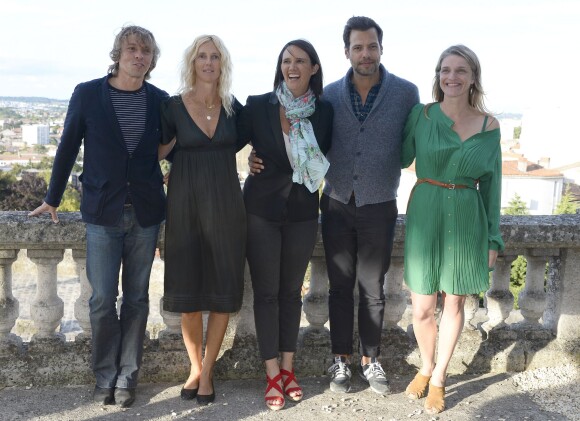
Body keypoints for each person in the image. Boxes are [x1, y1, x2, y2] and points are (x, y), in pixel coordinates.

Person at [249, 16, 419, 395]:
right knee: (340, 286)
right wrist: (251, 159)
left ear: (380, 48)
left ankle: (369, 359)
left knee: (373, 288)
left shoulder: (406, 93)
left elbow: (413, 145)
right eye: (357, 47)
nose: (365, 53)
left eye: (371, 46)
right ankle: (340, 360)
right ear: (346, 52)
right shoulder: (328, 99)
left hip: (380, 201)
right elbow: (286, 138)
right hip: (337, 201)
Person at [29, 26, 168, 408]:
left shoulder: (159, 100)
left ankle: (127, 375)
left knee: (137, 299)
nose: (139, 56)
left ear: (153, 60)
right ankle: (105, 374)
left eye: (146, 51)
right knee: (103, 299)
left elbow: (175, 146)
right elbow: (68, 145)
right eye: (132, 49)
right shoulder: (88, 94)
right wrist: (52, 198)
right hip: (102, 214)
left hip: (146, 214)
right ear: (118, 53)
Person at [401, 45, 503, 414]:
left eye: (461, 70)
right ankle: (425, 366)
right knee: (422, 307)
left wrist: (493, 237)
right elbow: (398, 156)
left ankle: (440, 377)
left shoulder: (490, 125)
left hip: (465, 215)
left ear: (473, 76)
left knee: (455, 301)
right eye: (446, 70)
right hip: (426, 212)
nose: (452, 77)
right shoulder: (421, 115)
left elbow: (493, 187)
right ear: (438, 75)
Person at [238, 39, 333, 410]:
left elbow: (332, 157)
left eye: (300, 61)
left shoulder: (325, 112)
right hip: (260, 210)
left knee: (291, 292)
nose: (292, 67)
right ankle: (272, 372)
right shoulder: (258, 105)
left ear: (313, 69)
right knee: (266, 293)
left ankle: (290, 368)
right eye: (286, 61)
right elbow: (224, 143)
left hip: (303, 212)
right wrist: (247, 163)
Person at [158, 35, 246, 406]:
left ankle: (207, 371)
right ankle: (194, 368)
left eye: (214, 56)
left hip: (227, 207)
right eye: (201, 56)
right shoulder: (172, 107)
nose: (208, 62)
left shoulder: (233, 108)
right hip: (185, 208)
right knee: (189, 296)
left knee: (223, 296)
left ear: (222, 63)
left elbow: (256, 142)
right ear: (192, 63)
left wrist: (258, 162)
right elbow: (157, 151)